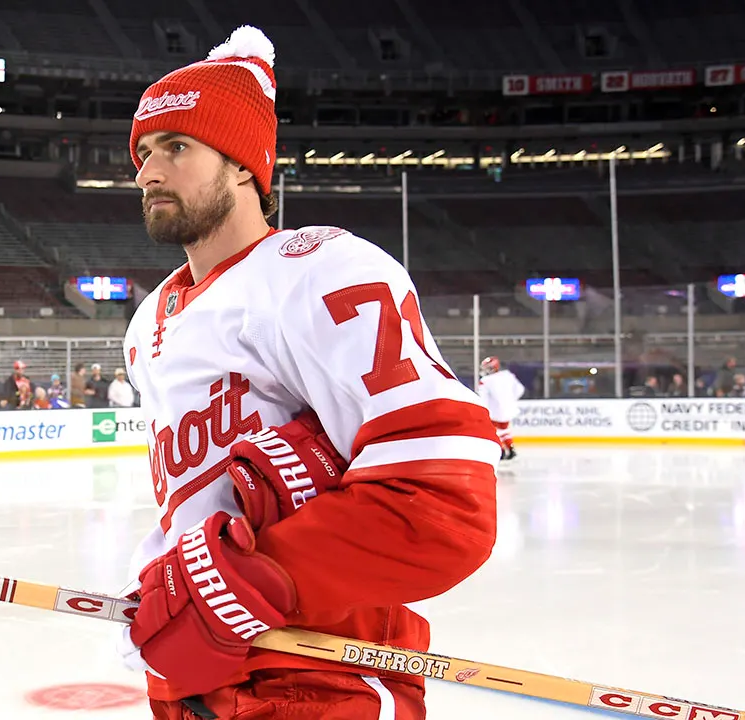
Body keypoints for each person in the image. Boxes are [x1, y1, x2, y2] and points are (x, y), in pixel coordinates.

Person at [116, 26, 499, 720]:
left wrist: (258, 577)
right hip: (194, 675)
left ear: (242, 165)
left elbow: (443, 504)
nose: (148, 172)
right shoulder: (149, 320)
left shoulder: (320, 271)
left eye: (176, 148)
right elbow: (195, 504)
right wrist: (164, 582)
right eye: (143, 153)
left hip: (321, 675)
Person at [477, 356, 525, 460]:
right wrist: (510, 400)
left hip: (494, 411)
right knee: (504, 430)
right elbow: (520, 389)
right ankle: (511, 449)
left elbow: (482, 398)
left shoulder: (485, 381)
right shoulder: (508, 375)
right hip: (509, 409)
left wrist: (482, 410)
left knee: (494, 431)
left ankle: (501, 450)